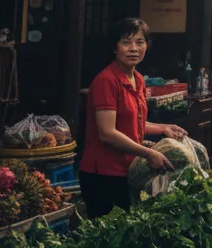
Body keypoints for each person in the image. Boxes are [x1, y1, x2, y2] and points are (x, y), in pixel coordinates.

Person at [80, 18, 188, 218]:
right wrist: (148, 153)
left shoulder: (138, 79)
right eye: (126, 42)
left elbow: (133, 122)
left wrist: (163, 128)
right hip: (103, 174)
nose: (133, 48)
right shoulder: (106, 81)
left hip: (127, 170)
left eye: (140, 42)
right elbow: (107, 133)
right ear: (115, 47)